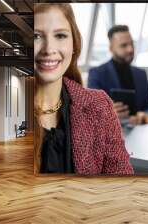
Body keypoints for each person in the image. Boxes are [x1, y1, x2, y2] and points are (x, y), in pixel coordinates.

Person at [34, 3, 133, 175]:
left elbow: (121, 183)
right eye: (36, 36)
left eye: (60, 35)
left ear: (74, 44)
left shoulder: (99, 106)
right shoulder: (4, 111)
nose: (49, 49)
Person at [88, 25, 148, 120]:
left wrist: (145, 115)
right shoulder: (97, 74)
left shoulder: (141, 74)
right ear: (111, 48)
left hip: (140, 130)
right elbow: (91, 113)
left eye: (132, 44)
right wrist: (107, 113)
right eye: (124, 45)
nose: (130, 49)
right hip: (111, 132)